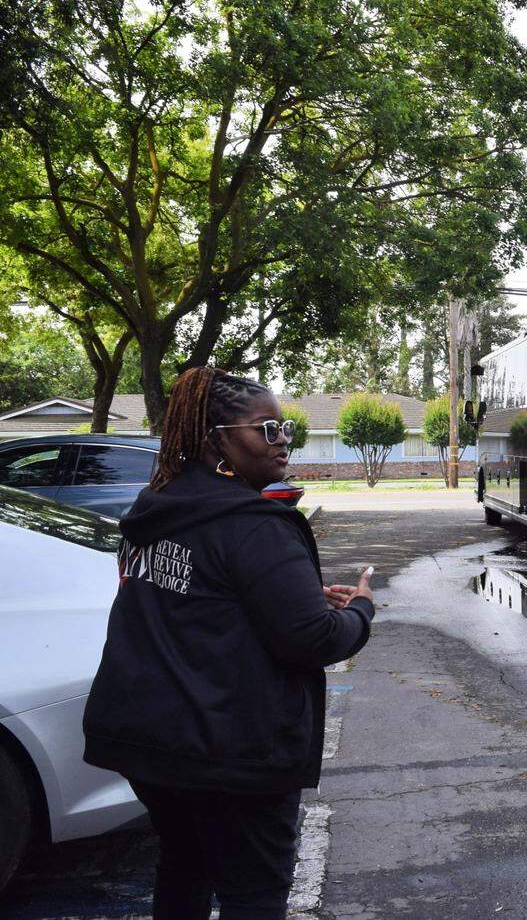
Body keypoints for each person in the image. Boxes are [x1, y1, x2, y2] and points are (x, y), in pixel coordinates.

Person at [83, 367, 375, 920]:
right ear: (216, 437)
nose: (283, 441)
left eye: (286, 428)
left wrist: (284, 593)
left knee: (184, 866)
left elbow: (200, 594)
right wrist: (361, 608)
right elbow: (312, 637)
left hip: (149, 742)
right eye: (265, 429)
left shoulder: (157, 506)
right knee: (253, 893)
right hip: (229, 752)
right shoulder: (254, 524)